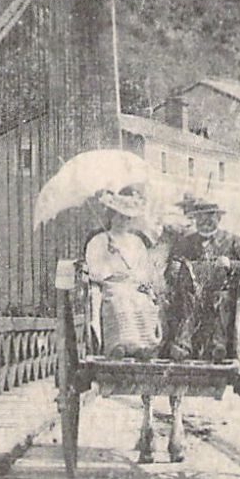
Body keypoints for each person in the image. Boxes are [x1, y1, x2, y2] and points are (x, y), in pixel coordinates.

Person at [82, 184, 184, 462]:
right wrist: (109, 257)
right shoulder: (98, 242)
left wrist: (140, 282)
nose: (123, 222)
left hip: (133, 286)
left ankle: (143, 347)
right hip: (111, 287)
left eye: (127, 218)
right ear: (110, 216)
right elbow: (95, 272)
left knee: (143, 303)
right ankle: (119, 345)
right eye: (118, 217)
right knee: (119, 302)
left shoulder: (137, 244)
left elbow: (143, 272)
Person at [166, 196, 240, 361]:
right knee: (185, 296)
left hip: (222, 294)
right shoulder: (185, 242)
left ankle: (218, 345)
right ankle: (183, 344)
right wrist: (173, 269)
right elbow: (170, 272)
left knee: (221, 298)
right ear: (195, 219)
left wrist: (230, 263)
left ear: (218, 218)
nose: (205, 220)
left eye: (210, 216)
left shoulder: (233, 241)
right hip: (192, 295)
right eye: (201, 216)